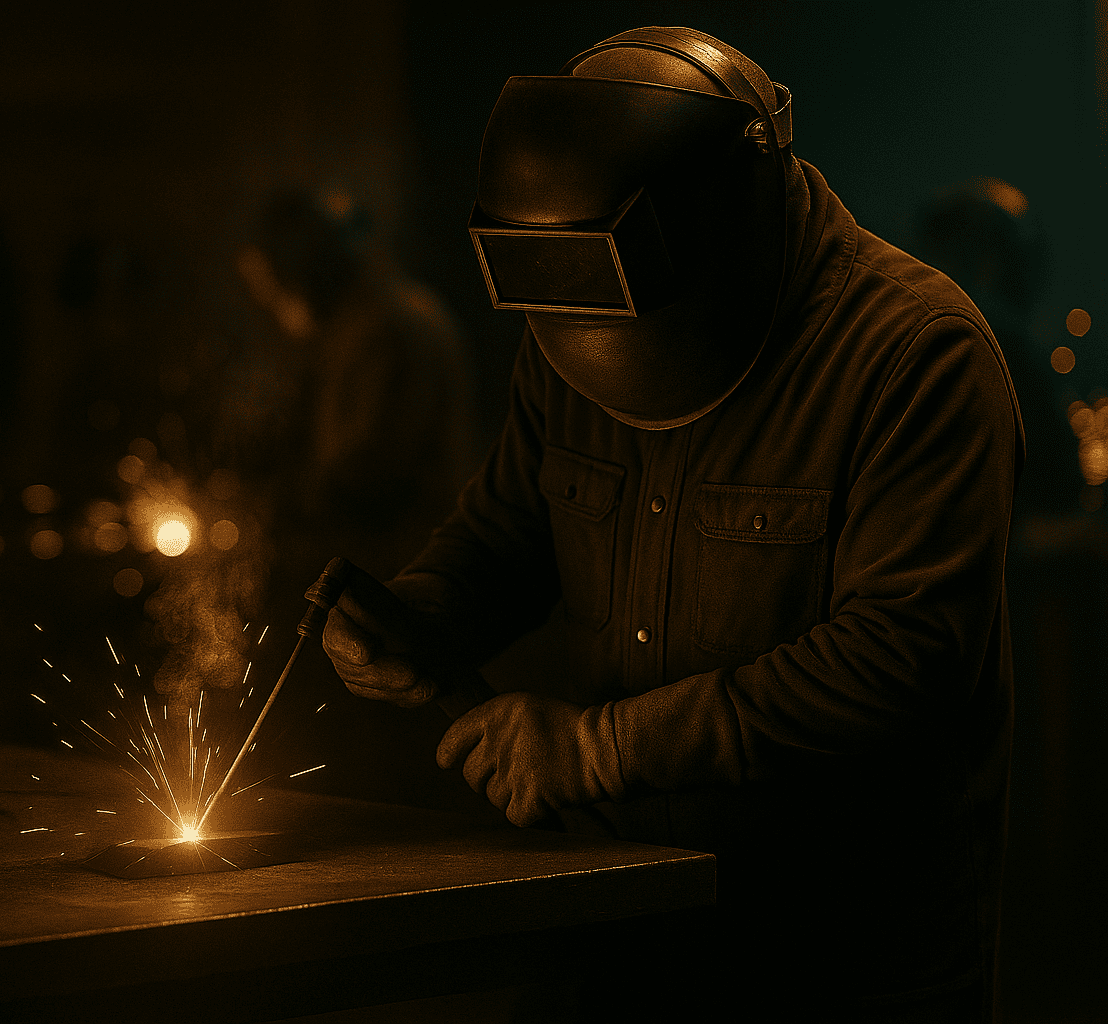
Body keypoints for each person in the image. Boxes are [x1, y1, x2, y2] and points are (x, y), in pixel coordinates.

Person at [320, 26, 1020, 1021]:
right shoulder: (574, 314)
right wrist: (421, 613)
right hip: (617, 942)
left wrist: (597, 751)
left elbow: (900, 659)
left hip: (842, 960)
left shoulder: (914, 356)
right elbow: (512, 525)